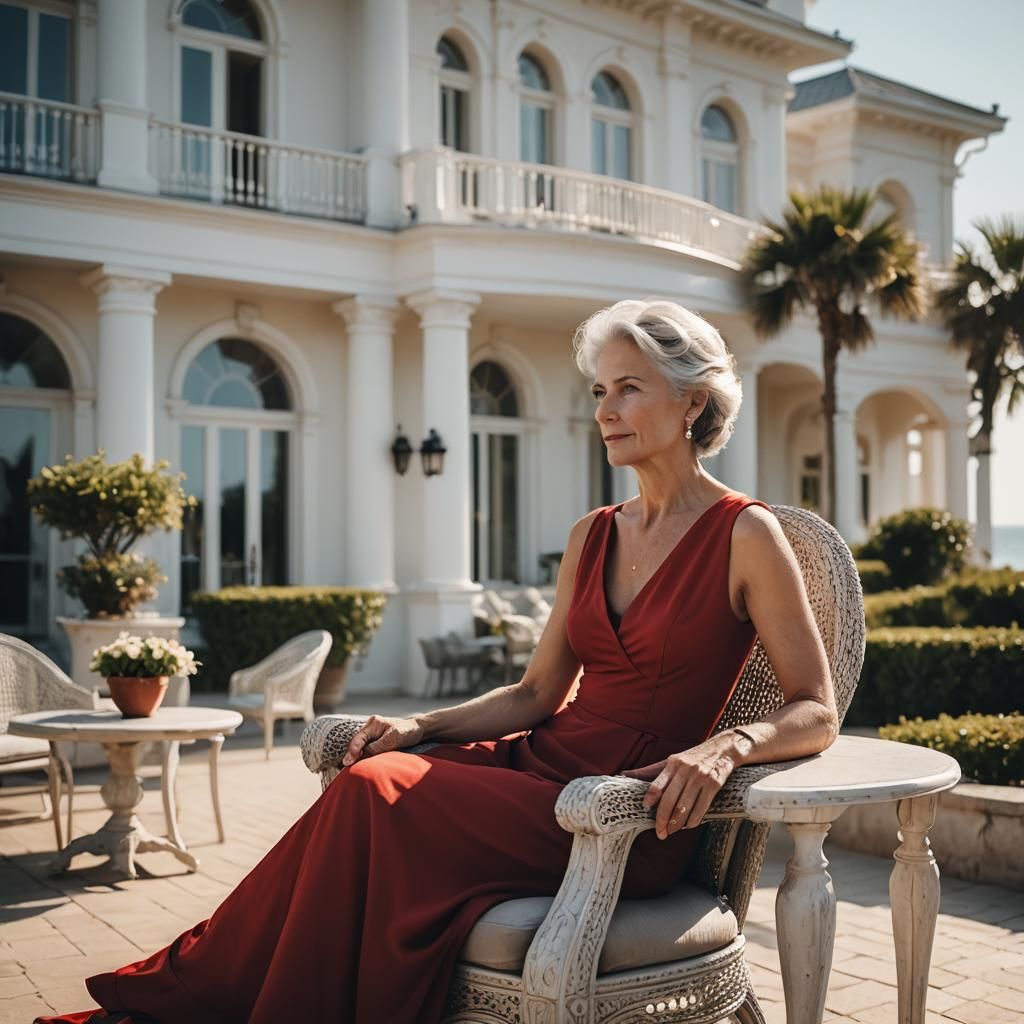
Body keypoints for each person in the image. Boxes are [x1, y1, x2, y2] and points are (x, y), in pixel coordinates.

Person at [38, 299, 838, 1024]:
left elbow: (816, 706)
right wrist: (419, 725)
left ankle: (210, 994)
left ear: (693, 401)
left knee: (373, 794)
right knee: (368, 774)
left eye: (629, 388)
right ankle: (214, 991)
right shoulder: (593, 532)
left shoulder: (746, 533)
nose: (605, 409)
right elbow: (535, 693)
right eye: (599, 390)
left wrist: (726, 746)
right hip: (541, 765)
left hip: (624, 811)